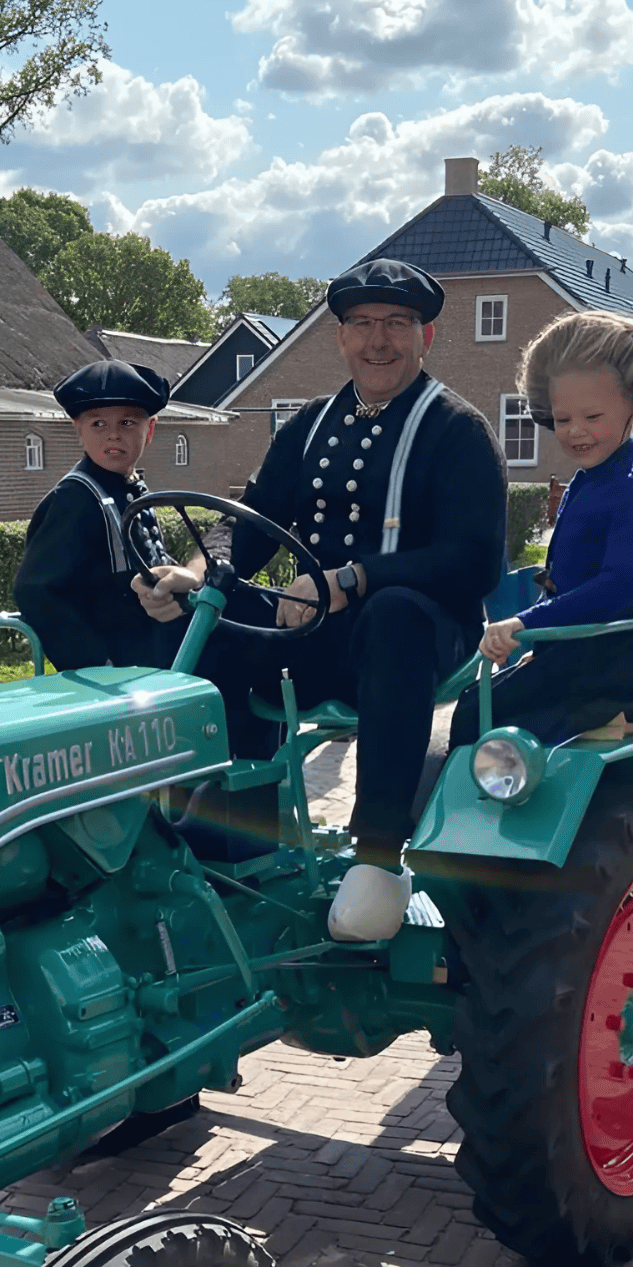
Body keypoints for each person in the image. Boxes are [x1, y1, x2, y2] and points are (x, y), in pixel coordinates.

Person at [136, 257, 507, 942]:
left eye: (397, 323)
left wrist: (353, 580)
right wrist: (195, 573)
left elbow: (476, 559)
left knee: (393, 616)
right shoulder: (306, 427)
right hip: (320, 633)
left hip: (424, 629)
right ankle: (221, 833)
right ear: (339, 337)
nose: (378, 340)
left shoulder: (458, 429)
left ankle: (377, 854)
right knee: (209, 616)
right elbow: (246, 522)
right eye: (362, 324)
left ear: (426, 337)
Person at [455, 311, 633, 749]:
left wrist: (525, 622)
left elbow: (622, 584)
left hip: (620, 669)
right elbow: (562, 579)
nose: (576, 432)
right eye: (561, 419)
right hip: (577, 656)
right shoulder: (583, 481)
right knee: (472, 707)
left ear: (632, 406)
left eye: (593, 416)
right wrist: (531, 634)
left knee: (485, 721)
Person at [14, 360, 177, 670]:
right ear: (78, 430)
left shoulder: (133, 489)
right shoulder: (75, 499)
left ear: (150, 429)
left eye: (127, 423)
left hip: (158, 649)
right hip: (118, 665)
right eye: (98, 424)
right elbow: (36, 589)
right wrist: (94, 664)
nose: (113, 435)